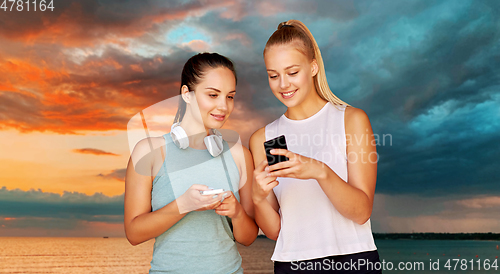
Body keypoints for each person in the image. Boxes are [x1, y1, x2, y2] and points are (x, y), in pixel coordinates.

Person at [250, 20, 381, 273]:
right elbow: (275, 231)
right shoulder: (266, 138)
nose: (283, 84)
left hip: (353, 260)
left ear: (312, 67)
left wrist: (319, 171)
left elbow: (362, 212)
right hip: (291, 264)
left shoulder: (351, 120)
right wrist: (258, 199)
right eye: (273, 76)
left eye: (292, 72)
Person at [124, 52, 258, 273]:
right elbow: (134, 233)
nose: (224, 107)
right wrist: (184, 205)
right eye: (213, 95)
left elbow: (249, 237)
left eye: (230, 96)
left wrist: (237, 213)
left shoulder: (240, 155)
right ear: (186, 94)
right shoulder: (148, 151)